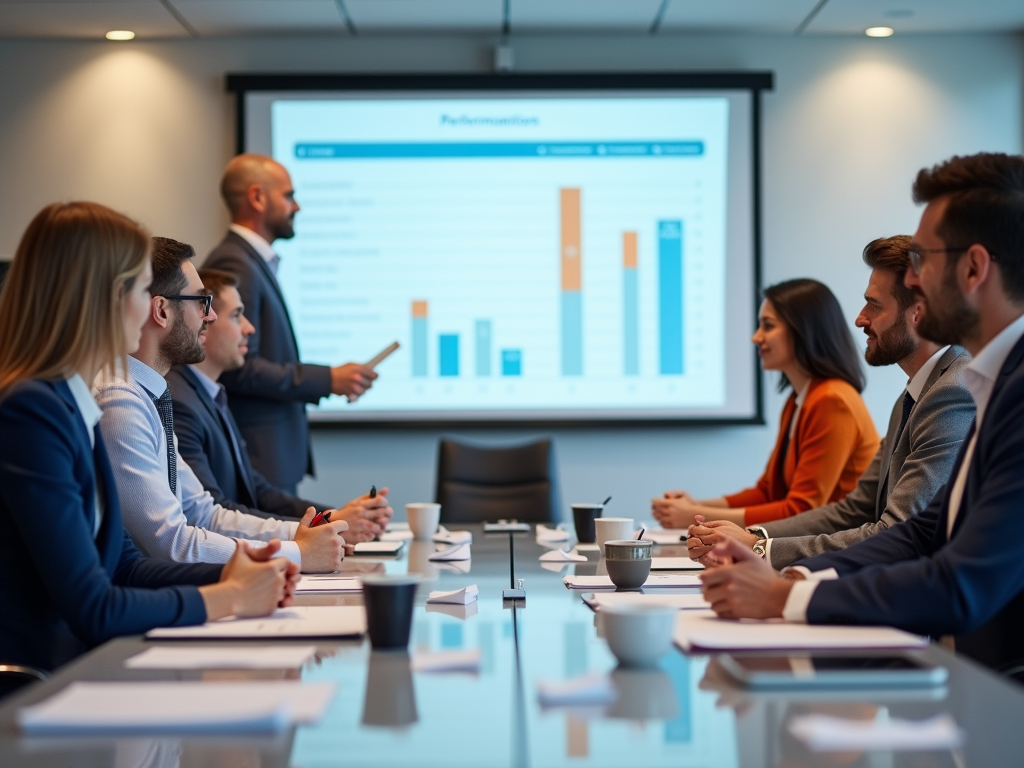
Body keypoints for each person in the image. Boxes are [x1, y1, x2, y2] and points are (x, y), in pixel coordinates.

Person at [701, 152, 1024, 674]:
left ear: (973, 268)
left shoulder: (998, 392)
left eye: (924, 261)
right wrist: (794, 579)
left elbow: (960, 582)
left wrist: (786, 598)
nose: (915, 280)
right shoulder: (992, 382)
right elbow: (922, 531)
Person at [0, 202, 298, 671]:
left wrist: (233, 571)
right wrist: (230, 597)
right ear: (105, 298)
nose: (146, 310)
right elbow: (94, 606)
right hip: (42, 688)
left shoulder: (73, 404)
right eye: (142, 288)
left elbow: (125, 566)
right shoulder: (33, 411)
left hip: (82, 673)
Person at [686, 236, 974, 568]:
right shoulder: (911, 397)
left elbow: (898, 532)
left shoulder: (953, 393)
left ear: (918, 314)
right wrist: (753, 537)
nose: (860, 318)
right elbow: (854, 511)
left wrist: (758, 547)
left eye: (874, 305)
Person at [96, 237, 348, 572]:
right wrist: (296, 554)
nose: (210, 315)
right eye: (202, 302)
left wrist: (306, 536)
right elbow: (170, 544)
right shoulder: (120, 401)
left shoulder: (148, 394)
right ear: (161, 310)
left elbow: (204, 513)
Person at [167, 268, 393, 541]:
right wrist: (330, 523)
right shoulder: (181, 401)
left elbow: (256, 489)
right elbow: (212, 513)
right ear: (205, 321)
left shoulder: (210, 395)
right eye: (237, 315)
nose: (250, 328)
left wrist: (335, 516)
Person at [204, 154, 377, 493]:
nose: (296, 206)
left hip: (271, 453)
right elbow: (238, 367)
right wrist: (327, 378)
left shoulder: (250, 260)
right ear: (257, 197)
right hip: (259, 453)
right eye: (288, 195)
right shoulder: (235, 262)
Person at [652, 279, 879, 529]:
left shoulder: (832, 400)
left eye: (767, 326)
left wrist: (697, 515)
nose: (756, 337)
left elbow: (802, 510)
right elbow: (768, 491)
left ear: (802, 330)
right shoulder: (797, 400)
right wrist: (695, 506)